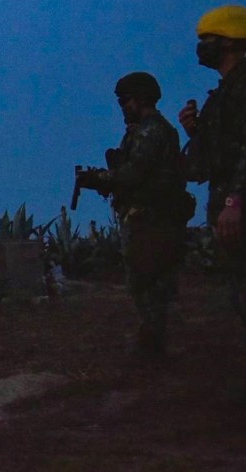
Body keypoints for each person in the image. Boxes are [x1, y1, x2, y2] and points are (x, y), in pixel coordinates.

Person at [79, 72, 194, 357]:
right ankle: (152, 340)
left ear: (140, 99)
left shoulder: (151, 131)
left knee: (148, 280)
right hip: (146, 216)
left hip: (152, 217)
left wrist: (100, 179)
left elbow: (133, 174)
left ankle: (154, 344)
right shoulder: (141, 131)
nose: (122, 106)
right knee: (144, 280)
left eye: (125, 100)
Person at [179, 4, 246, 327]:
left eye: (210, 38)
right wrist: (195, 133)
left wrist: (235, 200)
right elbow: (202, 168)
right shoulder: (222, 93)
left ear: (232, 41)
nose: (202, 47)